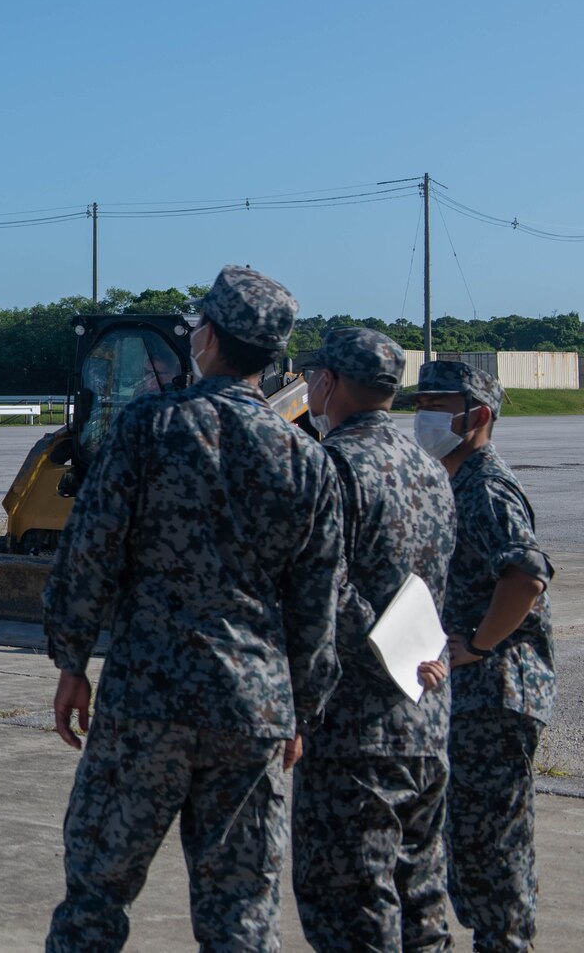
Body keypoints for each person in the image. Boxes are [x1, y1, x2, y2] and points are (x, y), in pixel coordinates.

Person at [43, 266, 344, 953]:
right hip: (254, 708)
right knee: (240, 913)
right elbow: (317, 602)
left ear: (206, 337)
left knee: (95, 896)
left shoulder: (151, 427)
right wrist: (300, 705)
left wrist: (71, 659)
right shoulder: (306, 459)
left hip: (148, 699)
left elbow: (89, 552)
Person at [290, 327, 456, 952]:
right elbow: (440, 584)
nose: (308, 387)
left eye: (312, 376)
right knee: (420, 901)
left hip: (354, 729)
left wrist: (299, 707)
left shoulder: (332, 465)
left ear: (330, 383)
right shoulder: (431, 468)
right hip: (425, 714)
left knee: (353, 906)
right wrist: (423, 658)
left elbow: (323, 591)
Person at [415, 360, 555, 953]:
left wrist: (476, 643)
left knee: (493, 854)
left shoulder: (487, 486)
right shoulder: (454, 479)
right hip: (472, 699)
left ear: (478, 414)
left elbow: (525, 575)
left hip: (496, 697)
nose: (425, 416)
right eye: (422, 402)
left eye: (440, 404)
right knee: (469, 850)